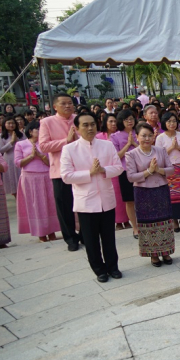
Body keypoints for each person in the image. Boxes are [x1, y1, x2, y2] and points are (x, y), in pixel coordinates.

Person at [59, 111, 123, 282]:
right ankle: (99, 270)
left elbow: (118, 167)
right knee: (91, 240)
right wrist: (90, 173)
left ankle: (113, 267)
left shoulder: (107, 145)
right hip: (86, 201)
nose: (90, 128)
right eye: (85, 125)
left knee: (109, 237)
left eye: (93, 124)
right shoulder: (69, 149)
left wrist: (103, 170)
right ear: (77, 128)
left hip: (106, 199)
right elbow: (66, 176)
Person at [126, 123, 175, 267]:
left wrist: (158, 170)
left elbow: (171, 169)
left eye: (149, 135)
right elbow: (131, 177)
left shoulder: (160, 150)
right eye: (143, 135)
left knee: (164, 221)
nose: (147, 138)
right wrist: (148, 171)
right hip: (143, 192)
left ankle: (166, 251)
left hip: (161, 190)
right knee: (148, 224)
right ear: (137, 137)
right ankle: (153, 255)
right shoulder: (132, 154)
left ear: (154, 136)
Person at [39, 92, 83, 251]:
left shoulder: (79, 120)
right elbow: (43, 146)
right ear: (55, 106)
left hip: (82, 170)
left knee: (84, 204)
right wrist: (66, 141)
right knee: (65, 207)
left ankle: (85, 234)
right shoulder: (47, 122)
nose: (68, 106)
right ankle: (71, 238)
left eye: (70, 103)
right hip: (60, 171)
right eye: (63, 103)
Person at [15, 121, 60, 242]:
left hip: (46, 176)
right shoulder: (21, 144)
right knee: (35, 205)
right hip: (30, 178)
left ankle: (52, 231)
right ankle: (40, 233)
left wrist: (41, 156)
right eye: (38, 130)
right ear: (30, 131)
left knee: (50, 203)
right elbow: (18, 163)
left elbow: (51, 163)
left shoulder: (45, 144)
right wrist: (31, 156)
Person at [96, 114, 130, 230]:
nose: (113, 124)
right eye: (110, 121)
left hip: (119, 169)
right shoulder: (99, 137)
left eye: (115, 121)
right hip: (105, 169)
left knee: (122, 197)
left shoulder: (121, 135)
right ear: (105, 123)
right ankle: (118, 221)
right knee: (113, 196)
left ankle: (126, 220)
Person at [110, 109, 140, 237]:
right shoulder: (115, 136)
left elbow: (148, 151)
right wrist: (128, 145)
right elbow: (116, 156)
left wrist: (135, 143)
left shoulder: (139, 132)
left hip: (141, 169)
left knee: (143, 198)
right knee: (129, 201)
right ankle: (135, 227)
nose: (130, 121)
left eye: (132, 119)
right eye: (127, 119)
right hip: (125, 171)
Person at [0, 116, 24, 197]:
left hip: (21, 159)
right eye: (9, 123)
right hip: (9, 160)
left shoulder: (21, 134)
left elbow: (26, 145)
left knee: (22, 182)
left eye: (13, 123)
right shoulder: (0, 136)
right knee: (13, 184)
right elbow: (1, 150)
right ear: (4, 124)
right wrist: (11, 142)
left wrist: (17, 140)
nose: (11, 125)